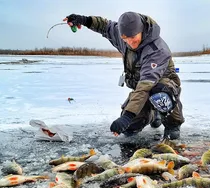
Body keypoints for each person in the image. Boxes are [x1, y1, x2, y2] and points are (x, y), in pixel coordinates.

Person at [64, 12, 184, 140]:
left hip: (160, 86)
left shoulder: (157, 50)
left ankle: (172, 124)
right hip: (140, 89)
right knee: (129, 128)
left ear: (141, 30)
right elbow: (105, 26)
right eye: (125, 38)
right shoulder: (124, 38)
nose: (130, 42)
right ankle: (153, 115)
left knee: (159, 93)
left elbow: (146, 86)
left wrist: (128, 115)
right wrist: (83, 20)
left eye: (133, 37)